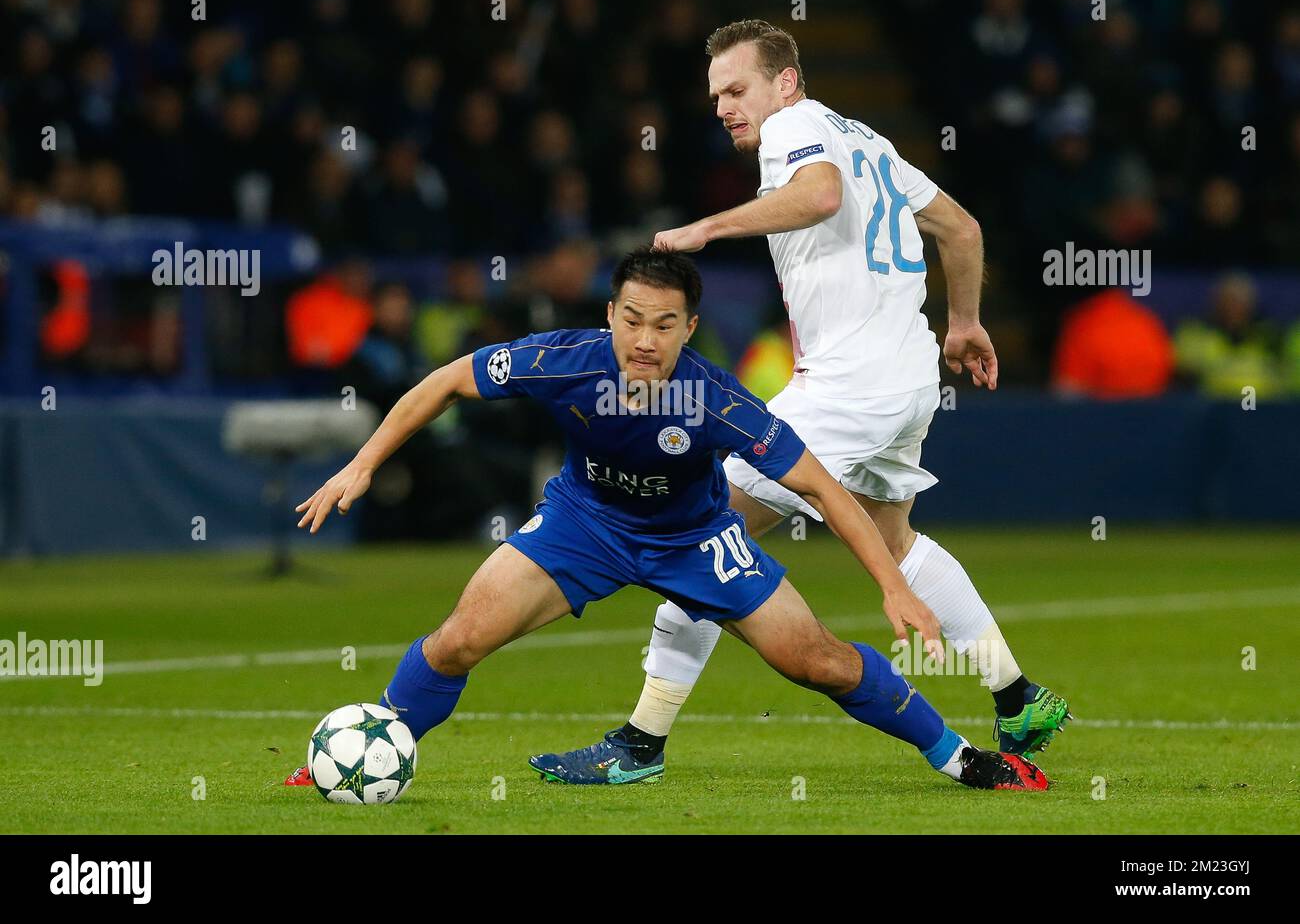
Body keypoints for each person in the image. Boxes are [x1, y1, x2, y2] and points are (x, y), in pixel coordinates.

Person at [289, 249, 1048, 793]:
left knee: (815, 661)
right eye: (630, 320)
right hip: (581, 525)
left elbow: (821, 487)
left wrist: (892, 585)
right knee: (457, 639)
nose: (643, 341)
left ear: (689, 329)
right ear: (609, 315)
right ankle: (370, 746)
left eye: (663, 325)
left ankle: (959, 758)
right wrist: (363, 464)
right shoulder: (566, 360)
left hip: (696, 542)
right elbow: (448, 381)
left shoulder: (716, 400)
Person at [535, 20, 1069, 785]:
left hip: (851, 386)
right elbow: (961, 227)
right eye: (715, 94)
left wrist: (705, 229)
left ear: (785, 81)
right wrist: (962, 323)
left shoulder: (796, 127)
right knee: (894, 541)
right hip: (907, 378)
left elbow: (817, 196)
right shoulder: (871, 143)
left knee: (696, 534)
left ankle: (640, 743)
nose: (723, 106)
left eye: (737, 88)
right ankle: (1016, 695)